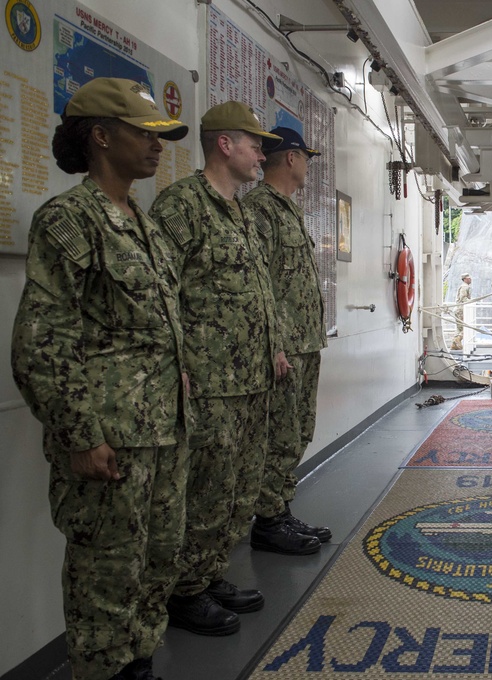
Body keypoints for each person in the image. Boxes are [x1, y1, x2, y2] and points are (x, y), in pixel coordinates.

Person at [10, 77, 189, 680]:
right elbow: (44, 339)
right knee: (106, 569)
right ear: (101, 137)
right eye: (144, 132)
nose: (156, 145)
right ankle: (102, 669)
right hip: (111, 433)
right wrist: (80, 433)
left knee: (158, 558)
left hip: (163, 428)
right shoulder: (70, 219)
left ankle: (136, 659)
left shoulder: (143, 222)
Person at [150, 102, 290, 636]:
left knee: (236, 488)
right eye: (254, 143)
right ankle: (186, 592)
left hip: (251, 379)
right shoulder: (182, 206)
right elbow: (163, 294)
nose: (262, 152)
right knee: (206, 490)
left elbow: (259, 291)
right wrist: (178, 363)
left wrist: (275, 345)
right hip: (209, 384)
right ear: (224, 145)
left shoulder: (238, 210)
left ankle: (209, 576)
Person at [243, 127, 330, 555]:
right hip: (285, 348)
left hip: (305, 342)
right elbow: (260, 284)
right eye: (306, 157)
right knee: (280, 433)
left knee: (298, 431)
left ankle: (281, 509)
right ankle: (269, 521)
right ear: (292, 158)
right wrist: (275, 343)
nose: (308, 165)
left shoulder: (287, 210)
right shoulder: (260, 209)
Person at [451, 273, 472, 350]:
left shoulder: (464, 286)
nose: (470, 279)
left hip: (458, 309)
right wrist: (472, 301)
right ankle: (458, 339)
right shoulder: (464, 287)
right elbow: (463, 298)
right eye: (468, 278)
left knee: (459, 329)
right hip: (461, 310)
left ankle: (454, 345)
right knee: (465, 328)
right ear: (465, 279)